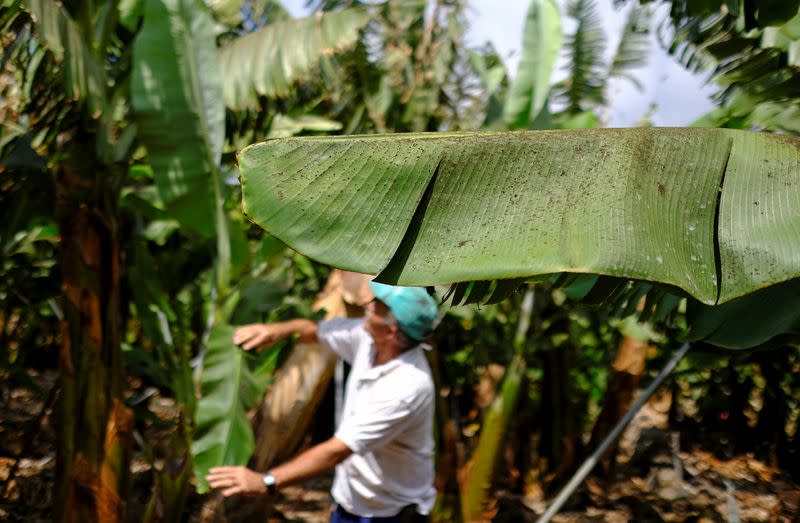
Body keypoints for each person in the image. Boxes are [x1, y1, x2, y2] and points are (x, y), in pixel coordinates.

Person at [206, 282, 439, 522]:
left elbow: (336, 451)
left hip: (393, 512)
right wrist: (276, 331)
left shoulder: (406, 386)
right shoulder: (368, 339)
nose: (369, 304)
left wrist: (266, 481)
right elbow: (315, 330)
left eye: (378, 305)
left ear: (391, 330)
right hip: (351, 501)